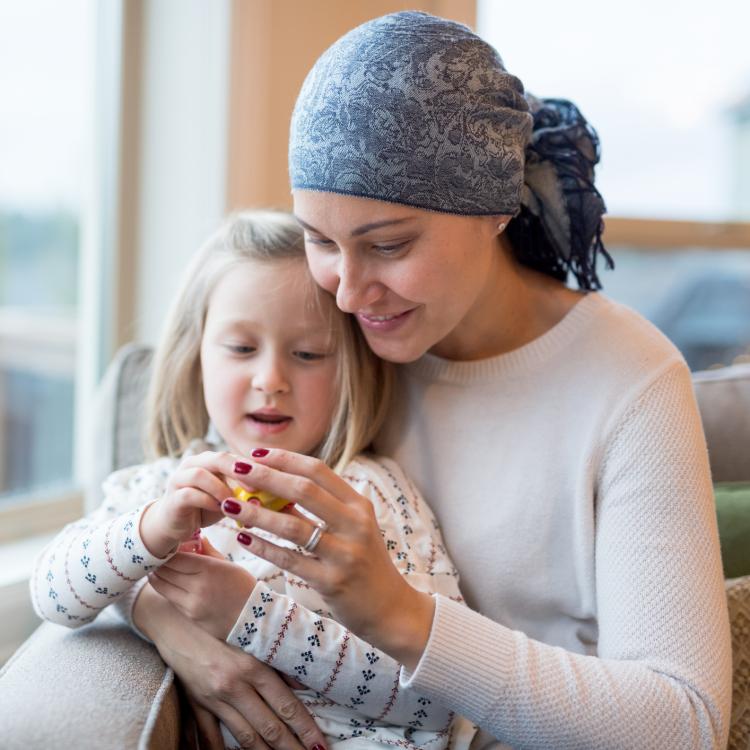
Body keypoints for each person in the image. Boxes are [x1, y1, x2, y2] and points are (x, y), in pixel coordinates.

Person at [203, 11, 732, 750]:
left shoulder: (629, 383)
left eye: (388, 244)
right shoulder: (328, 343)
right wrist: (170, 622)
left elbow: (686, 723)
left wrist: (400, 616)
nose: (349, 291)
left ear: (493, 209)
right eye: (321, 240)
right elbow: (161, 491)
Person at [30, 211, 476, 750]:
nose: (270, 380)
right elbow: (53, 595)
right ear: (195, 359)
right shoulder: (160, 488)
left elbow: (438, 704)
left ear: (353, 369)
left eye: (308, 354)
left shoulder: (367, 494)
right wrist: (149, 534)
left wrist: (251, 615)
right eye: (242, 349)